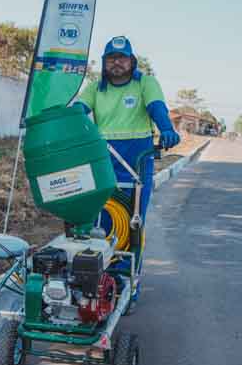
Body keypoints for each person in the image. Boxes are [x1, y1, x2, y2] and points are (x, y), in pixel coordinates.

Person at [74, 36, 180, 302]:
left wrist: (166, 128)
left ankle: (128, 283)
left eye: (122, 59)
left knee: (132, 222)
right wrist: (68, 121)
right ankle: (96, 279)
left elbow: (156, 107)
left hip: (136, 160)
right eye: (111, 59)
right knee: (100, 221)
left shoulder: (145, 82)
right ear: (104, 63)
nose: (117, 63)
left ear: (132, 61)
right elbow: (79, 109)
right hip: (103, 159)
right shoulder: (95, 88)